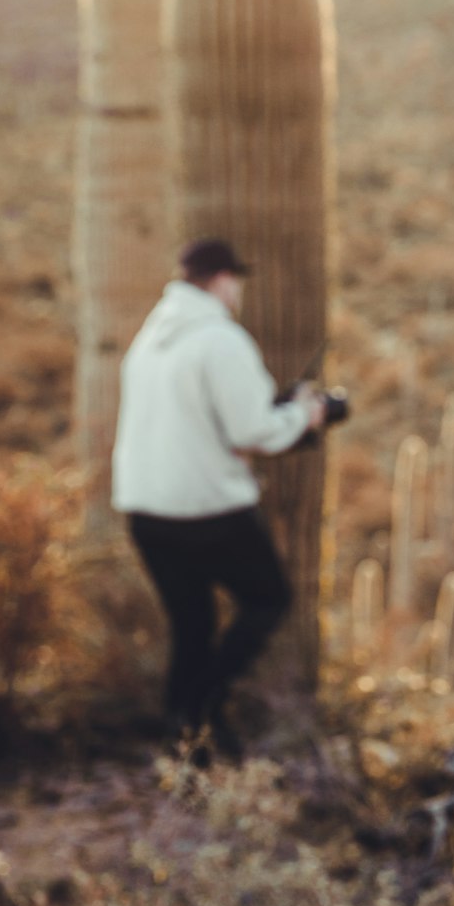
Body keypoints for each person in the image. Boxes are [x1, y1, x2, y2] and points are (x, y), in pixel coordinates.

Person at [111, 237, 327, 756]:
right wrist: (304, 415)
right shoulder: (220, 339)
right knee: (268, 598)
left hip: (145, 509)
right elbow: (252, 431)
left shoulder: (151, 335)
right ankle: (205, 708)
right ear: (225, 280)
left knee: (193, 623)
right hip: (206, 509)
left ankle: (183, 732)